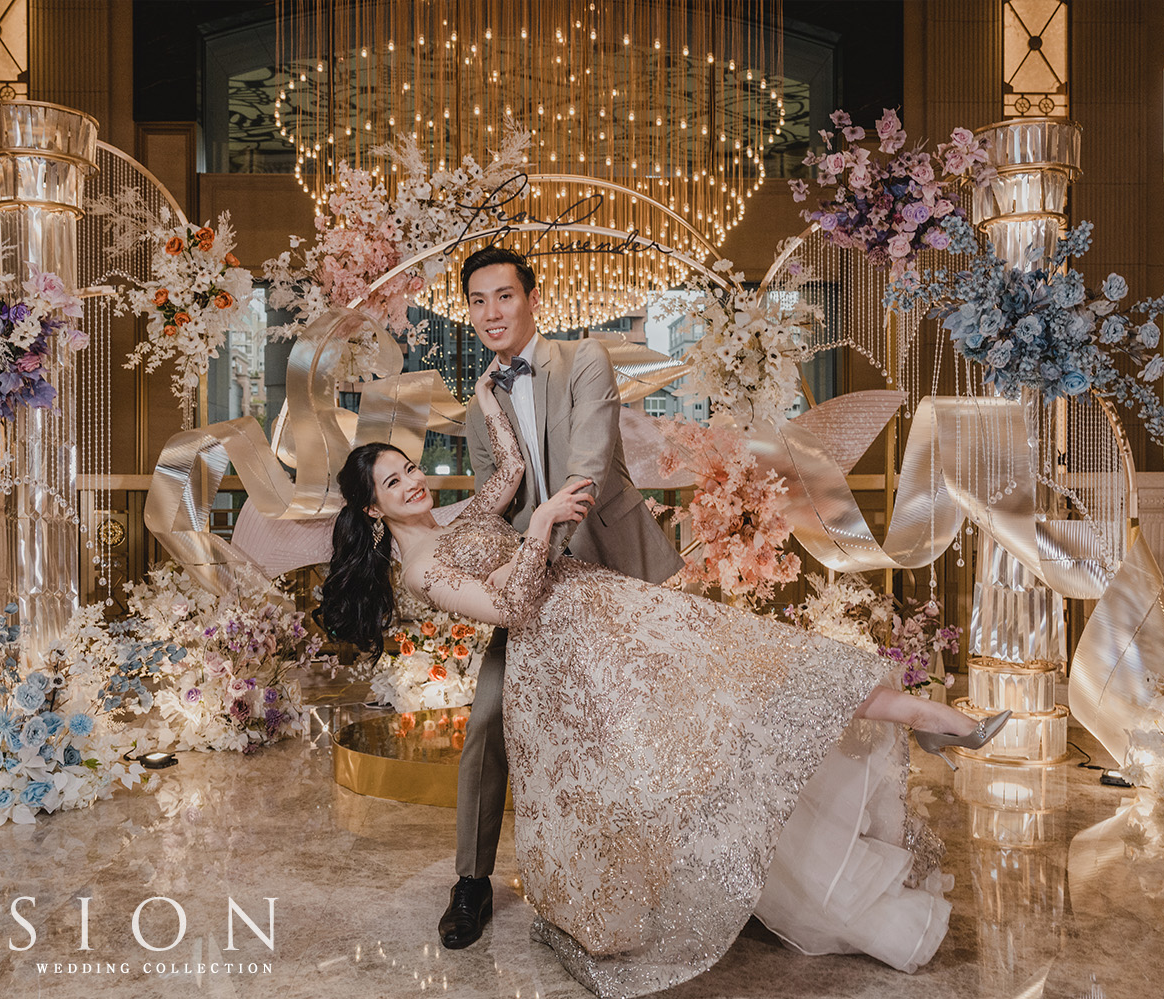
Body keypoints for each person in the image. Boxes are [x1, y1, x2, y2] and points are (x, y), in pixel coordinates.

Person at [317, 375, 1012, 998]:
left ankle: (924, 713)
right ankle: (749, 873)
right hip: (565, 656)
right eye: (394, 483)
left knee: (750, 666)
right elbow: (509, 607)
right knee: (682, 757)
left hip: (607, 607)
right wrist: (540, 524)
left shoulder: (463, 518)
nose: (413, 483)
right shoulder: (422, 568)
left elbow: (514, 467)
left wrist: (487, 397)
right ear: (373, 510)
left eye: (411, 468)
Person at [447, 246, 684, 950]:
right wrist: (513, 568)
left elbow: (586, 474)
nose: (492, 312)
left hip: (610, 569)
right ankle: (471, 881)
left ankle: (677, 873)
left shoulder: (584, 361)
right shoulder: (478, 408)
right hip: (536, 583)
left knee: (652, 722)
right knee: (488, 717)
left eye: (504, 296)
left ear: (532, 298)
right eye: (478, 301)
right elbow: (493, 512)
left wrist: (537, 548)